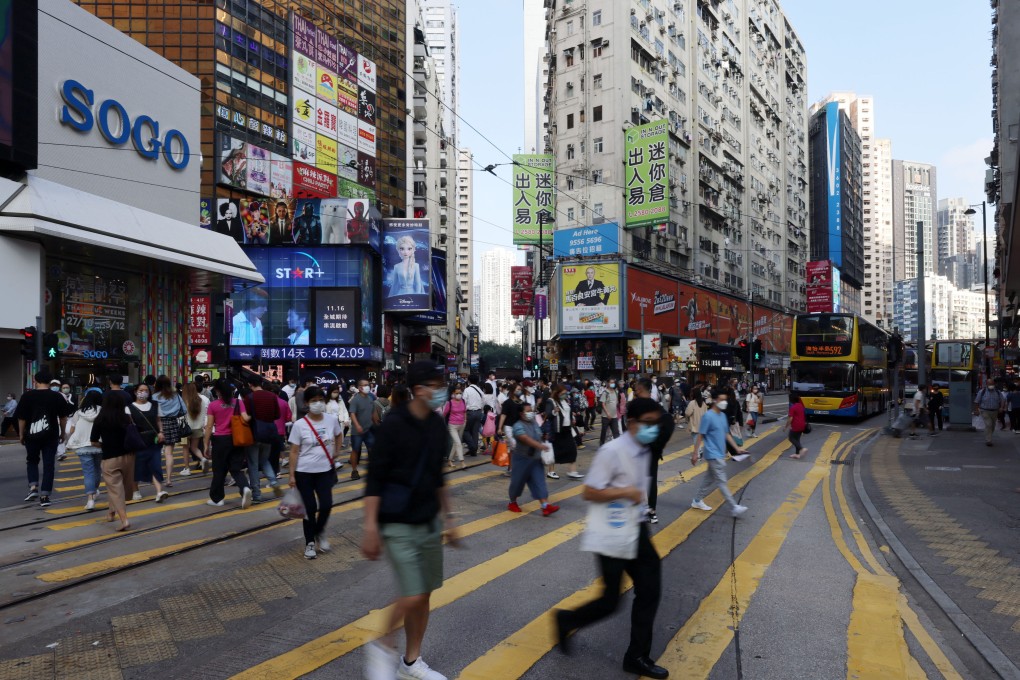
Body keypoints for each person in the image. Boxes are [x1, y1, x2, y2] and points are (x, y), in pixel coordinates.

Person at [553, 398, 669, 680]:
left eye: (657, 423)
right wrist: (623, 493)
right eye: (649, 423)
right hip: (611, 532)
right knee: (610, 600)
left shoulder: (645, 447)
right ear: (632, 423)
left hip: (636, 528)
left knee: (650, 589)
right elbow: (589, 492)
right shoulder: (612, 451)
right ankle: (566, 619)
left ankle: (636, 656)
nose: (655, 429)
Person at [362, 360, 459, 680]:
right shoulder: (393, 425)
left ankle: (411, 661)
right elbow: (375, 479)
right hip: (397, 523)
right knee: (413, 592)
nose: (442, 391)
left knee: (424, 594)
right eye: (437, 385)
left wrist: (450, 518)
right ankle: (383, 644)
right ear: (419, 390)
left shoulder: (435, 423)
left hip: (428, 521)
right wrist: (370, 526)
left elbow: (438, 473)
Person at [288, 386, 343, 559]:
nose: (318, 403)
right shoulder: (300, 425)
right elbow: (294, 451)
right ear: (306, 403)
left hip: (325, 471)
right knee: (310, 508)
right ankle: (310, 543)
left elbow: (339, 435)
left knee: (326, 504)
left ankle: (319, 531)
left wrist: (337, 451)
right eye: (313, 401)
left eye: (320, 400)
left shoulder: (331, 420)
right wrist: (291, 475)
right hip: (303, 472)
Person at [16, 371, 74, 506]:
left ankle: (33, 487)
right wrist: (62, 434)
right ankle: (45, 496)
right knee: (49, 465)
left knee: (32, 460)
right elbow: (63, 417)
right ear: (50, 382)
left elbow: (21, 418)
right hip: (51, 435)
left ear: (35, 381)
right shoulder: (57, 397)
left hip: (31, 435)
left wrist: (21, 434)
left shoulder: (27, 396)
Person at [690, 388, 750, 517]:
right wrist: (695, 453)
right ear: (715, 400)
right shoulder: (708, 416)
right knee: (722, 481)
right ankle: (734, 507)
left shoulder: (722, 416)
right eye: (722, 400)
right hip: (712, 454)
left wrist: (737, 449)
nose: (724, 402)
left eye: (725, 400)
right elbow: (701, 435)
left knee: (708, 480)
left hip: (720, 452)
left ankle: (697, 500)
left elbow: (726, 434)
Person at [90, 391, 136, 531]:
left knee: (115, 488)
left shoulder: (100, 419)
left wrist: (103, 445)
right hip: (129, 456)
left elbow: (93, 441)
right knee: (121, 488)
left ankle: (124, 520)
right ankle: (111, 512)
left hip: (110, 458)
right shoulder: (126, 418)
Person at [204, 379, 253, 508]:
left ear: (218, 391)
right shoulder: (239, 402)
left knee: (219, 470)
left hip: (220, 440)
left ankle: (217, 499)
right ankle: (245, 488)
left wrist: (205, 445)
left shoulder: (213, 405)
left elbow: (209, 427)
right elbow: (246, 418)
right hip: (237, 439)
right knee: (236, 468)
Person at [632, 378, 674, 524]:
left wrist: (657, 445)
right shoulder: (639, 405)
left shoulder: (654, 407)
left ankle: (651, 510)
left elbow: (667, 422)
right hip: (640, 450)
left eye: (638, 390)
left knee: (649, 481)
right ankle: (643, 509)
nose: (637, 392)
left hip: (649, 450)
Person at [508, 402, 559, 516]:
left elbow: (538, 434)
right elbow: (524, 438)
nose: (531, 413)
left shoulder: (534, 422)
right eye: (528, 411)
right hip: (522, 459)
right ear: (521, 414)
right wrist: (539, 445)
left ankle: (545, 506)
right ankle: (512, 502)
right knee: (517, 483)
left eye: (531, 410)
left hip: (535, 459)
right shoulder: (517, 426)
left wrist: (544, 437)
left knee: (539, 482)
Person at [127, 384, 169, 503]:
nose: (143, 393)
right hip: (137, 442)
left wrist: (161, 432)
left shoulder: (155, 405)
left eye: (146, 390)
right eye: (141, 390)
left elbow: (158, 420)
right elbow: (128, 426)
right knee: (136, 466)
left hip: (153, 441)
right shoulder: (129, 407)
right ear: (135, 392)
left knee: (155, 465)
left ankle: (159, 491)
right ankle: (135, 490)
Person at [243, 380, 283, 503]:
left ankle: (257, 495)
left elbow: (247, 417)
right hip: (269, 434)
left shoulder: (249, 397)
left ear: (250, 385)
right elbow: (277, 415)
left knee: (253, 464)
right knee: (265, 460)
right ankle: (273, 481)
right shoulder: (272, 396)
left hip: (254, 434)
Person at [65, 390, 103, 511]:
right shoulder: (102, 410)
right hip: (99, 445)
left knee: (88, 473)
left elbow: (71, 430)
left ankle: (90, 500)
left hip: (83, 446)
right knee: (97, 470)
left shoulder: (78, 413)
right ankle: (95, 490)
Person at [151, 375, 186, 487]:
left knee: (155, 452)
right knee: (169, 453)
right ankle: (169, 479)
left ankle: (156, 478)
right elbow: (184, 409)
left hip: (157, 424)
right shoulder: (175, 395)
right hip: (172, 423)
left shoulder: (154, 396)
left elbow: (151, 411)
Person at [544, 383, 583, 480]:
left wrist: (572, 417)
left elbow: (568, 412)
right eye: (563, 393)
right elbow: (548, 414)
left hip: (567, 429)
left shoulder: (565, 400)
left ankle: (572, 471)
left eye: (566, 393)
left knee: (572, 449)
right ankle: (551, 471)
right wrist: (554, 411)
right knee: (554, 452)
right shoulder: (551, 401)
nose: (565, 395)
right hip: (556, 430)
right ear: (557, 393)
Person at [348, 378, 377, 480]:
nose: (367, 386)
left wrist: (376, 424)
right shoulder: (355, 400)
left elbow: (373, 413)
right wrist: (357, 425)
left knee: (372, 448)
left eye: (368, 384)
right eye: (365, 385)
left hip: (368, 430)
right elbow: (352, 414)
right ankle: (354, 471)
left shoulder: (370, 399)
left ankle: (373, 470)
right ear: (360, 388)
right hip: (357, 432)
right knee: (355, 450)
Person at [180, 382, 211, 476]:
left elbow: (181, 414)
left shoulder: (184, 401)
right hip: (198, 428)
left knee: (185, 448)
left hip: (185, 428)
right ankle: (203, 459)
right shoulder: (201, 400)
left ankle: (187, 468)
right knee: (194, 447)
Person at [443, 385, 467, 468]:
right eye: (457, 393)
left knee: (455, 444)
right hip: (452, 425)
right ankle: (462, 462)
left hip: (462, 424)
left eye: (460, 393)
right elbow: (444, 414)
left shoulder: (463, 401)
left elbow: (464, 411)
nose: (459, 395)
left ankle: (449, 460)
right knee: (458, 443)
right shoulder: (449, 403)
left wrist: (465, 421)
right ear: (453, 393)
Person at [974, 381, 1005, 447]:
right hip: (985, 411)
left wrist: (1001, 407)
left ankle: (989, 435)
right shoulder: (982, 392)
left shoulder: (997, 392)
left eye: (992, 384)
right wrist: (976, 410)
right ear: (987, 384)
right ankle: (988, 440)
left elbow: (1002, 400)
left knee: (992, 425)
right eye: (989, 384)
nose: (991, 385)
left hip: (995, 411)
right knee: (989, 424)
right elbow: (977, 401)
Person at [461, 374, 485, 458]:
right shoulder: (480, 390)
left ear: (469, 381)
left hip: (469, 412)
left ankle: (472, 447)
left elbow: (464, 402)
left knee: (465, 430)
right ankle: (473, 451)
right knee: (475, 431)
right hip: (479, 412)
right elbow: (483, 401)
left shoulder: (467, 390)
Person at [325, 385, 349, 455]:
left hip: (338, 422)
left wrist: (346, 420)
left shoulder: (340, 401)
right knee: (329, 442)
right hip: (328, 423)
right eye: (334, 392)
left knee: (338, 441)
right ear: (330, 392)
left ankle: (335, 458)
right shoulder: (325, 401)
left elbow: (344, 410)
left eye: (337, 392)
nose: (336, 394)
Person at [785, 394, 809, 459]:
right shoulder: (801, 406)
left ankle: (802, 448)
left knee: (791, 438)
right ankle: (797, 454)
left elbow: (790, 419)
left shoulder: (793, 407)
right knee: (797, 439)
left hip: (796, 425)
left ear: (791, 399)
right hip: (802, 425)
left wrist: (786, 427)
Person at [599, 379, 621, 445]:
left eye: (613, 382)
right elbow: (603, 403)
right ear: (608, 383)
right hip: (606, 416)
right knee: (604, 432)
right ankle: (601, 444)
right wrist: (607, 413)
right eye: (611, 382)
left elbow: (616, 403)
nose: (612, 383)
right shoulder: (605, 392)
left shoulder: (616, 392)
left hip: (614, 416)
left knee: (616, 432)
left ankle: (618, 446)